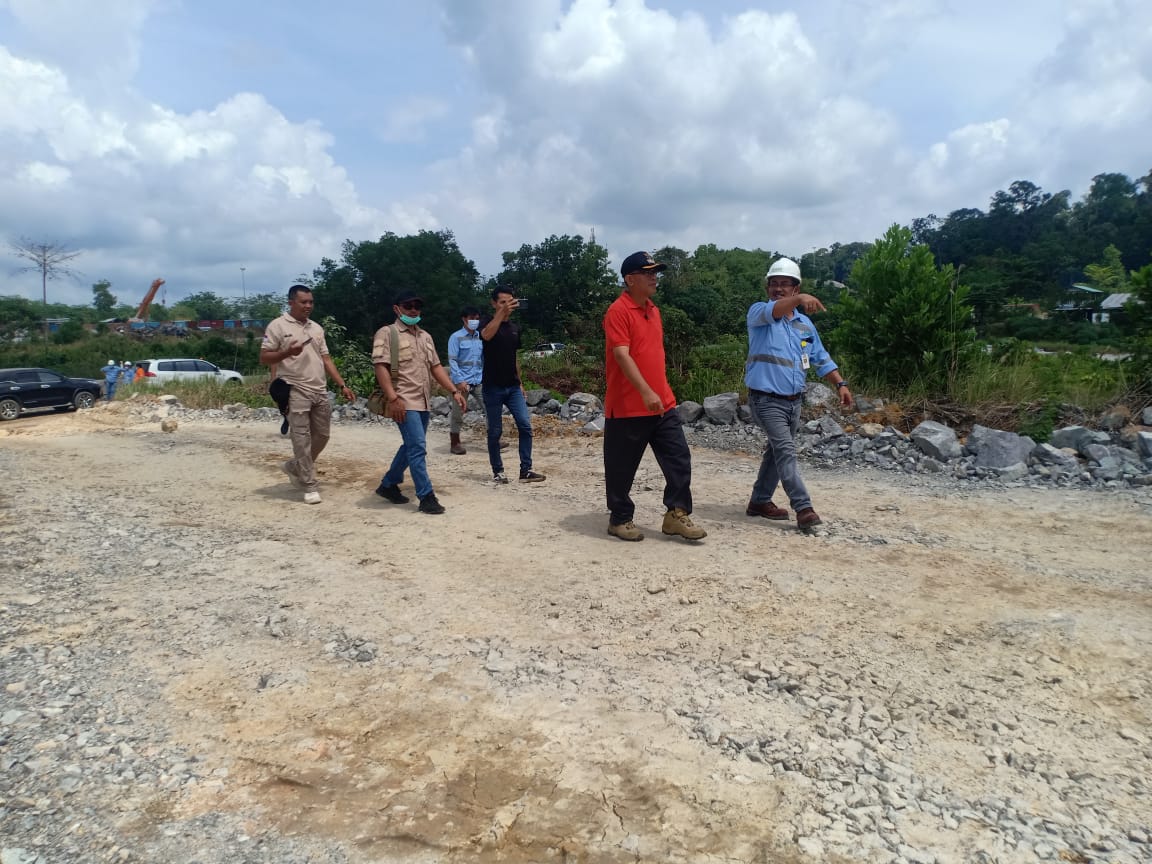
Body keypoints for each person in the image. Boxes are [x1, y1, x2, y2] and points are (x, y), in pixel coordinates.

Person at [602, 252, 706, 542]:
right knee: (621, 467)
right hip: (627, 406)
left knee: (678, 458)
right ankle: (620, 518)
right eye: (647, 272)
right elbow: (621, 354)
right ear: (629, 279)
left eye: (655, 272)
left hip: (662, 404)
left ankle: (676, 514)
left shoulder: (654, 310)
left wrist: (658, 391)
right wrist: (645, 391)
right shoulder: (618, 311)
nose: (653, 277)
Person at [744, 257, 853, 530]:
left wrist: (840, 384)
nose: (778, 289)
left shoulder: (804, 324)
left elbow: (819, 357)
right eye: (774, 284)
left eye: (785, 284)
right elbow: (777, 310)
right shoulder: (759, 313)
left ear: (795, 287)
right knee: (785, 450)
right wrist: (801, 298)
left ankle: (759, 501)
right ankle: (803, 507)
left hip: (793, 402)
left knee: (775, 451)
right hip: (765, 399)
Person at [372, 289, 467, 515]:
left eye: (417, 306)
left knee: (411, 446)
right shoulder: (387, 333)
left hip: (423, 401)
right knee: (417, 448)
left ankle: (388, 485)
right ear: (397, 309)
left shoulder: (425, 336)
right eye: (408, 306)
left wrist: (454, 390)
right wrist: (393, 399)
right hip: (403, 401)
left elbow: (435, 367)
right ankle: (426, 496)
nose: (413, 310)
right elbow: (380, 367)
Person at [259, 284, 356, 504]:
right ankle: (309, 483)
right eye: (304, 302)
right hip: (295, 388)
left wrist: (342, 384)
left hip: (319, 389)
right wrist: (286, 352)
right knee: (300, 438)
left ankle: (295, 466)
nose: (308, 306)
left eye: (311, 302)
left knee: (322, 435)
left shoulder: (317, 328)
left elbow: (326, 359)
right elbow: (264, 357)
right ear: (291, 302)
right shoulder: (277, 326)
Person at [478, 288, 545, 483]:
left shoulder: (515, 328)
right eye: (502, 302)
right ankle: (498, 471)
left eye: (510, 302)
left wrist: (521, 382)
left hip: (513, 387)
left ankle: (526, 470)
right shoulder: (486, 323)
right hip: (492, 387)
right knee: (495, 431)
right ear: (494, 304)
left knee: (525, 425)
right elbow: (486, 336)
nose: (507, 306)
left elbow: (515, 356)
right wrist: (500, 315)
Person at [446, 306, 483, 455]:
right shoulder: (456, 337)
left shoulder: (481, 337)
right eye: (471, 318)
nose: (474, 321)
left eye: (477, 318)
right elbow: (453, 361)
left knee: (490, 408)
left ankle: (495, 438)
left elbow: (482, 359)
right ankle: (455, 442)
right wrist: (459, 380)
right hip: (462, 382)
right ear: (464, 319)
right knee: (457, 412)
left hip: (478, 380)